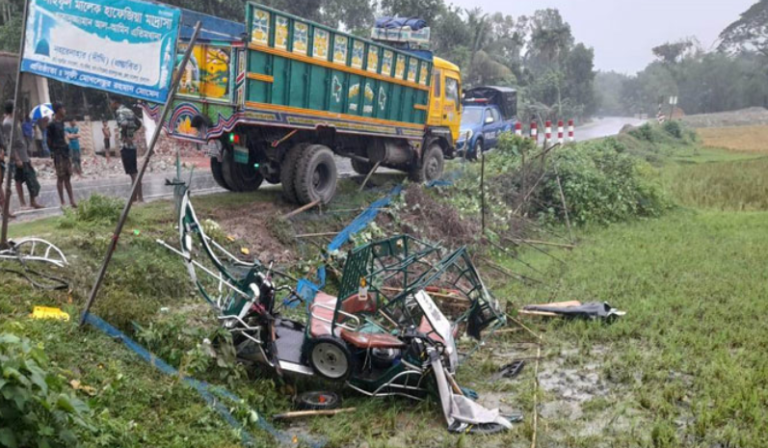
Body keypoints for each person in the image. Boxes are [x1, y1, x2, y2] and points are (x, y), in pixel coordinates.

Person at [3, 101, 42, 210]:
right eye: (17, 108)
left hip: (24, 154)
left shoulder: (15, 121)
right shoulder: (7, 123)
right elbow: (9, 142)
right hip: (17, 156)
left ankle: (33, 201)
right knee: (19, 179)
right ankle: (22, 203)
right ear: (12, 109)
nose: (19, 110)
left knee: (31, 177)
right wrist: (17, 158)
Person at [111, 98, 143, 203]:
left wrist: (125, 137)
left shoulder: (119, 112)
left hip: (126, 145)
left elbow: (123, 124)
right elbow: (138, 124)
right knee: (133, 172)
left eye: (111, 102)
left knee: (133, 173)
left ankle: (140, 198)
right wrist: (132, 133)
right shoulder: (129, 111)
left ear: (115, 102)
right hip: (132, 145)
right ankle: (135, 197)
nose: (111, 104)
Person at [47, 103, 76, 208]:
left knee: (68, 176)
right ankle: (62, 201)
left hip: (65, 152)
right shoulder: (51, 124)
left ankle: (72, 200)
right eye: (63, 108)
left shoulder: (61, 123)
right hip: (58, 153)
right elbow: (49, 140)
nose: (65, 110)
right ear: (58, 110)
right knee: (60, 177)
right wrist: (52, 152)